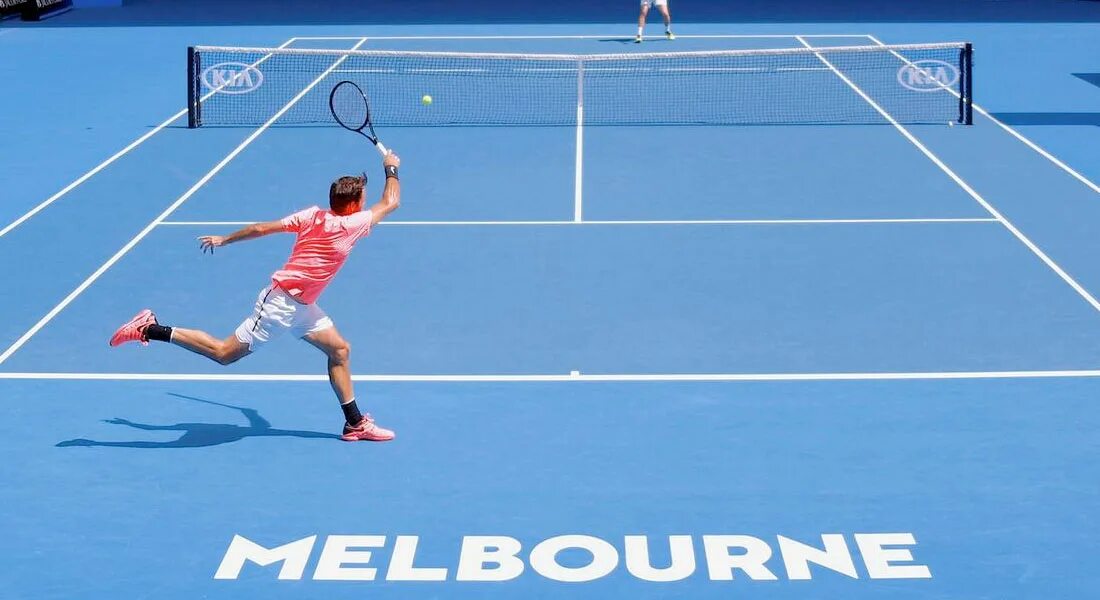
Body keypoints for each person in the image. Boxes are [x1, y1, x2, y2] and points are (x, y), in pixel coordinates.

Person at [108, 150, 403, 443]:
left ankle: (355, 424)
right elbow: (391, 201)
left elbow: (261, 228)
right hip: (280, 306)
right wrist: (390, 167)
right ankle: (149, 328)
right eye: (362, 198)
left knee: (339, 351)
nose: (365, 202)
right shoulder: (350, 226)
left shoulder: (312, 215)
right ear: (353, 205)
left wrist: (224, 239)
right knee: (223, 354)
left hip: (302, 305)